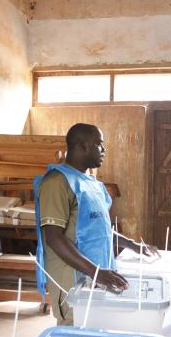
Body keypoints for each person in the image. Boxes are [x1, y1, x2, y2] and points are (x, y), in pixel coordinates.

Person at [34, 123, 158, 326]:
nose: (104, 150)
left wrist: (131, 244)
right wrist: (96, 272)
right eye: (99, 145)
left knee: (98, 331)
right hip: (73, 281)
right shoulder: (57, 183)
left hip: (98, 276)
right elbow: (54, 238)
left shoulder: (94, 184)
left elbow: (99, 229)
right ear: (82, 146)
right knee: (76, 332)